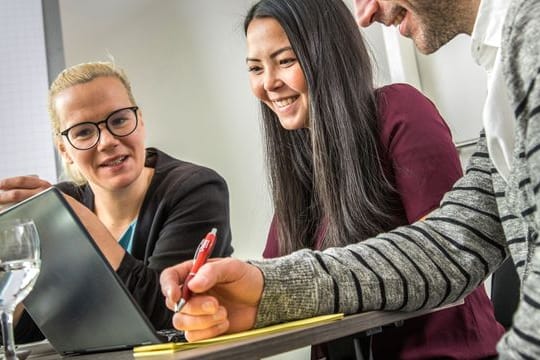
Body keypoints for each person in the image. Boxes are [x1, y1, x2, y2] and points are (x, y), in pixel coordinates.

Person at [161, 0, 540, 358]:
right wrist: (264, 288)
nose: (364, 13)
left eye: (286, 60)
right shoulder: (505, 86)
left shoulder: (528, 42)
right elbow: (449, 245)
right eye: (255, 68)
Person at [242, 0, 503, 358]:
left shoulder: (399, 110)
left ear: (327, 56)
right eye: (255, 68)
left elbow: (446, 252)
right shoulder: (301, 161)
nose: (268, 83)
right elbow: (276, 276)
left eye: (286, 61)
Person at [0, 61, 234, 341]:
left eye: (119, 120)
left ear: (140, 121)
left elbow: (167, 315)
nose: (106, 141)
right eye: (84, 132)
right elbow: (36, 332)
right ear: (65, 150)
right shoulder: (60, 206)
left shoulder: (196, 189)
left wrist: (77, 223)